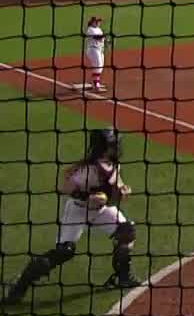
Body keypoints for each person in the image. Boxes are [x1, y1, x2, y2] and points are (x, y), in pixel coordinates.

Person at [2, 128, 141, 305]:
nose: (118, 147)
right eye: (114, 144)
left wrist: (123, 190)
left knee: (126, 231)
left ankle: (123, 277)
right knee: (64, 251)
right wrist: (87, 196)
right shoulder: (88, 169)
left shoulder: (113, 163)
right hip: (78, 210)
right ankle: (19, 287)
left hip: (100, 211)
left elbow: (116, 183)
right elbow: (64, 186)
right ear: (104, 147)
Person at [84, 16, 107, 91]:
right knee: (98, 65)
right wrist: (103, 36)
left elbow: (102, 39)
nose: (99, 22)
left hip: (100, 50)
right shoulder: (90, 29)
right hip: (93, 50)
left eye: (99, 21)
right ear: (93, 22)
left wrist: (107, 41)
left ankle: (95, 82)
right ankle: (96, 83)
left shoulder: (99, 29)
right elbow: (96, 37)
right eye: (97, 21)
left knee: (100, 66)